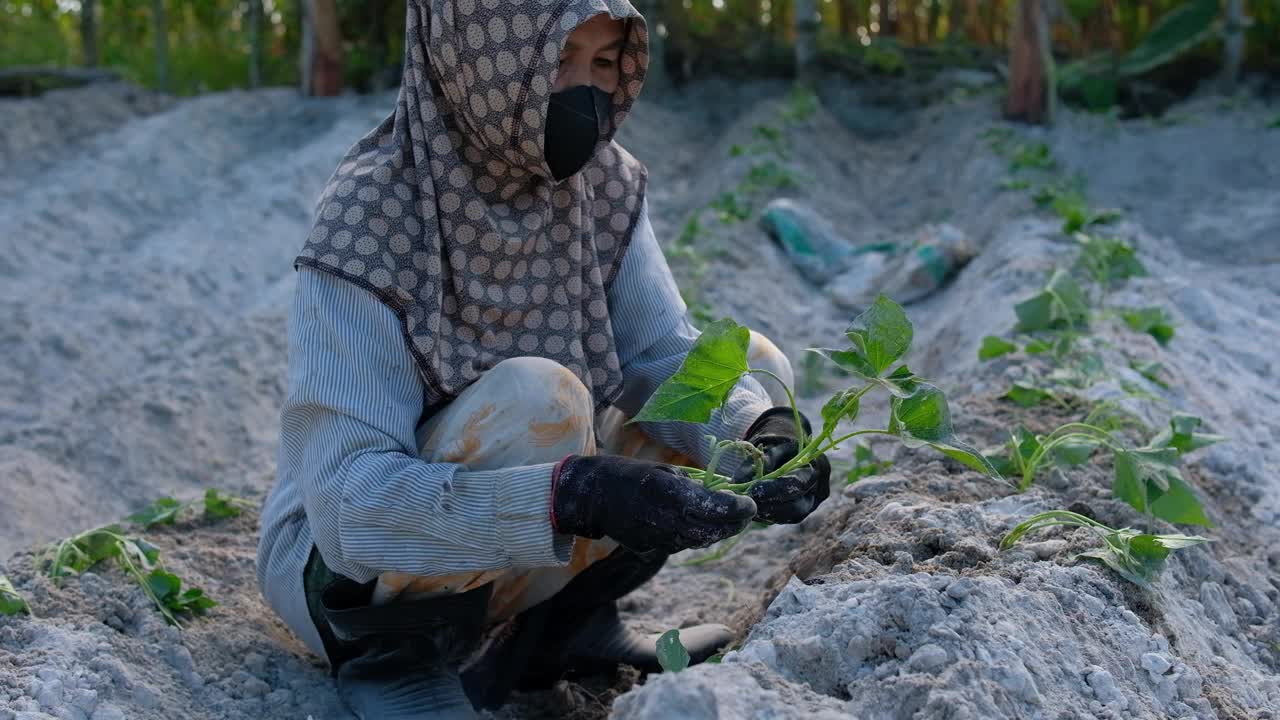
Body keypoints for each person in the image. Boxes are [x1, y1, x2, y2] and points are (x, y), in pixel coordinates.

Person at [255, 0, 831, 717]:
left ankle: (565, 626)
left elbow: (663, 354)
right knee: (543, 402)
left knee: (749, 365)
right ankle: (395, 656)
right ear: (476, 61)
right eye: (556, 61)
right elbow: (347, 506)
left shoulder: (604, 185)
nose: (583, 94)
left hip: (507, 545)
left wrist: (761, 432)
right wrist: (575, 494)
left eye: (600, 63)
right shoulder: (371, 216)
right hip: (349, 575)